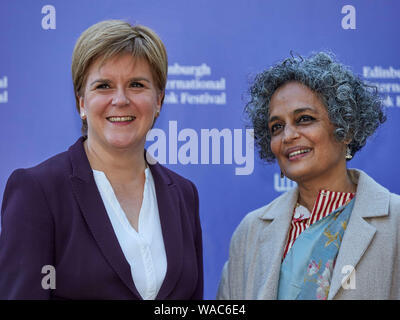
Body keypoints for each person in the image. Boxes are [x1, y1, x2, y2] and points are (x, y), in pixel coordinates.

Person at [0, 20, 203, 300]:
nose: (120, 99)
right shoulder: (38, 191)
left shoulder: (184, 194)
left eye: (136, 85)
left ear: (159, 100)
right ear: (82, 102)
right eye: (104, 86)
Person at [217, 51, 400, 300]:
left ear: (346, 129)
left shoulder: (395, 222)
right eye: (277, 127)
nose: (288, 135)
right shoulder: (250, 232)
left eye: (304, 119)